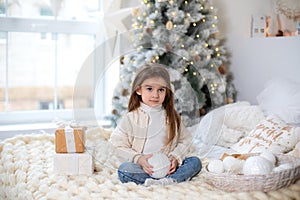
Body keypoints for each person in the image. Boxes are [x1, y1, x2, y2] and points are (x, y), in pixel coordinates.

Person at [109, 62, 202, 186]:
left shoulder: (172, 116)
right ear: (138, 90)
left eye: (161, 90)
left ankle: (170, 180)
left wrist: (175, 157)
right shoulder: (130, 118)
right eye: (149, 89)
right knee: (124, 170)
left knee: (195, 162)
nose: (155, 95)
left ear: (166, 91)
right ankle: (151, 181)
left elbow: (186, 141)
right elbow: (117, 145)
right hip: (144, 169)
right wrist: (138, 159)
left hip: (168, 168)